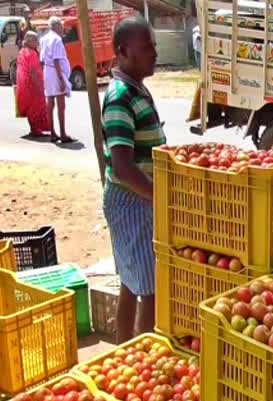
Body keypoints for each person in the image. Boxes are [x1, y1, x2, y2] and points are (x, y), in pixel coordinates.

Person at [102, 17, 165, 343]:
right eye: (146, 48)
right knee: (148, 286)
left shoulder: (136, 90)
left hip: (138, 198)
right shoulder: (119, 97)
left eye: (153, 46)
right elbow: (122, 166)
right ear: (123, 52)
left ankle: (123, 347)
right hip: (131, 200)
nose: (154, 53)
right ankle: (142, 355)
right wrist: (158, 197)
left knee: (131, 279)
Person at [40, 17, 74, 144]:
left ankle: (53, 133)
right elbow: (56, 60)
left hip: (48, 71)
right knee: (60, 105)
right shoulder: (57, 39)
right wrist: (60, 79)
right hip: (55, 72)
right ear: (55, 26)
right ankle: (62, 133)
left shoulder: (44, 38)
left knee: (50, 103)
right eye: (61, 25)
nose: (62, 28)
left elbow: (42, 59)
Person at [15, 31, 49, 138]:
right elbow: (33, 71)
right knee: (36, 108)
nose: (37, 42)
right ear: (29, 41)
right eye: (35, 40)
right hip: (33, 86)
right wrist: (38, 87)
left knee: (31, 108)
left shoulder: (22, 52)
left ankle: (34, 129)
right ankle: (36, 130)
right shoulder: (31, 53)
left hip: (25, 86)